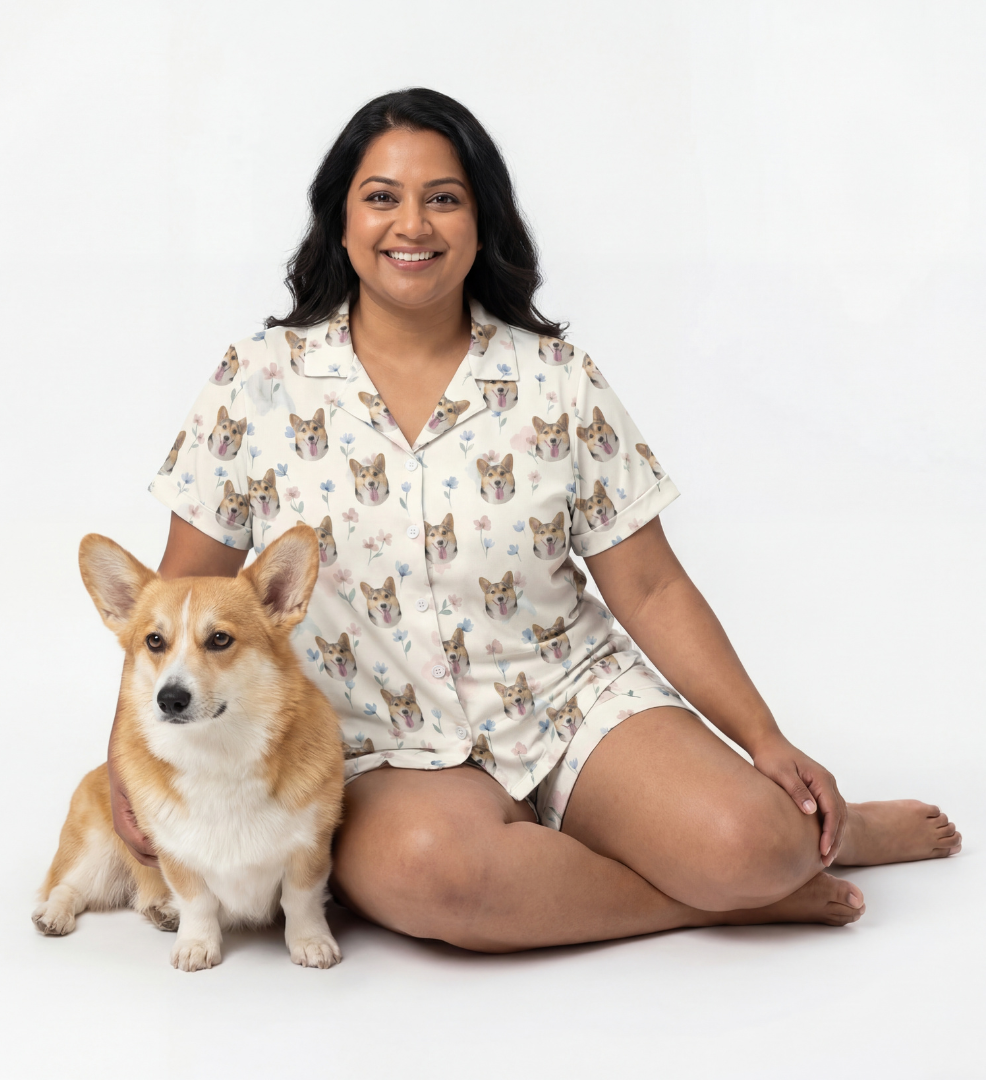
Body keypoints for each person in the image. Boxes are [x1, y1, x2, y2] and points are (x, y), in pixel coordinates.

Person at [113, 88, 960, 953]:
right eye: (381, 197)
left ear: (483, 224)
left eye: (444, 197)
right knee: (428, 878)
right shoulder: (255, 382)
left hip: (563, 698)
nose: (413, 224)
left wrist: (765, 739)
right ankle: (719, 903)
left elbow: (653, 584)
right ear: (339, 221)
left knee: (753, 843)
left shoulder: (557, 379)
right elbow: (169, 603)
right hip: (377, 743)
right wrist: (126, 756)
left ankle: (823, 833)